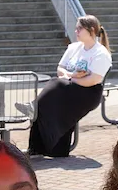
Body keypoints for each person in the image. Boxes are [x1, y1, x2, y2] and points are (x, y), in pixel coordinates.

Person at [26, 15, 112, 158]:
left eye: (79, 28)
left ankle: (33, 107)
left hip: (87, 92)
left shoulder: (100, 53)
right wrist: (70, 76)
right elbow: (60, 68)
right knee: (46, 106)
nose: (76, 31)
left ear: (91, 30)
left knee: (56, 83)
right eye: (76, 28)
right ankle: (39, 148)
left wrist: (70, 79)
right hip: (68, 87)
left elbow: (93, 79)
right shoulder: (73, 48)